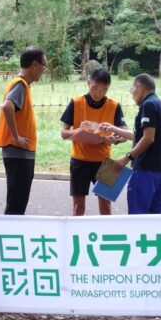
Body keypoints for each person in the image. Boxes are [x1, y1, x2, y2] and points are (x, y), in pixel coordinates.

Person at [60, 68, 126, 216]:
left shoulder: (114, 105)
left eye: (104, 90)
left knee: (106, 207)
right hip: (79, 161)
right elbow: (64, 133)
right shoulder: (76, 103)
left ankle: (106, 237)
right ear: (88, 83)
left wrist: (116, 139)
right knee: (78, 207)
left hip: (105, 162)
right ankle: (75, 237)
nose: (98, 93)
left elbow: (124, 132)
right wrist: (76, 132)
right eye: (95, 87)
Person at [103, 73, 161, 215]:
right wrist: (114, 129)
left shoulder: (149, 105)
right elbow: (140, 136)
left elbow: (148, 138)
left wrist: (126, 157)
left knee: (137, 216)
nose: (132, 95)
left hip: (145, 170)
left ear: (139, 88)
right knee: (155, 218)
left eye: (132, 90)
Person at [0, 46, 47, 215]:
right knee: (17, 203)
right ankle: (9, 236)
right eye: (44, 66)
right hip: (18, 152)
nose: (44, 70)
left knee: (17, 201)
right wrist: (16, 137)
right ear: (34, 65)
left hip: (20, 152)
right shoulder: (20, 84)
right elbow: (7, 107)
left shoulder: (21, 84)